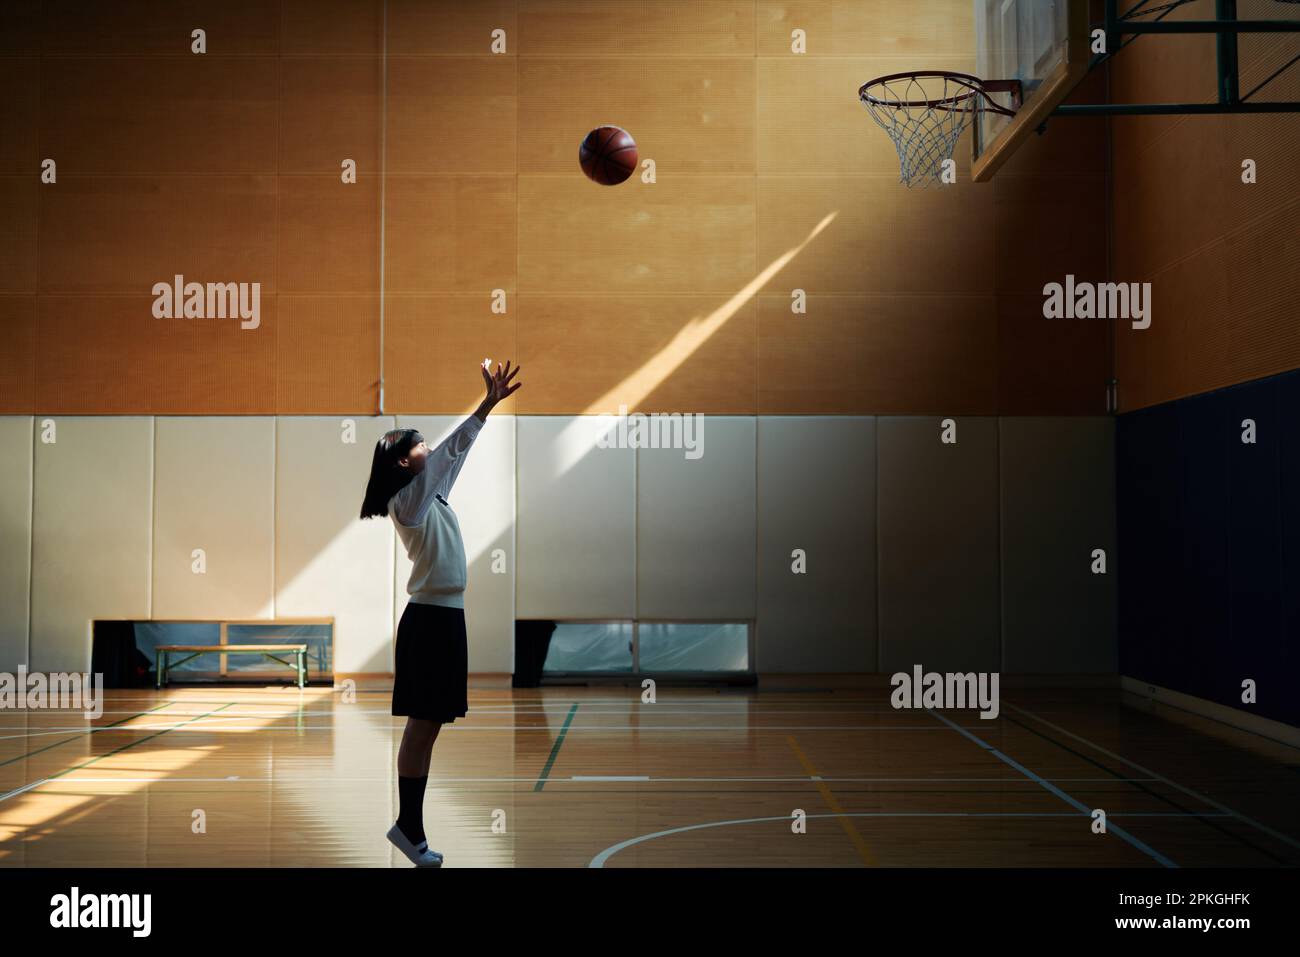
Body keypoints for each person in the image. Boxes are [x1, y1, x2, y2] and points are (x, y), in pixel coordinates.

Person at [359, 359, 522, 866]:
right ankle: (410, 829)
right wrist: (485, 406)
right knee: (420, 726)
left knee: (429, 726)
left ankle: (410, 829)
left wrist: (488, 409)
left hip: (446, 619)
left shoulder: (432, 498)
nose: (428, 449)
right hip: (429, 621)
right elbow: (450, 452)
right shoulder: (407, 500)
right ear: (404, 462)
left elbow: (455, 457)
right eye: (419, 446)